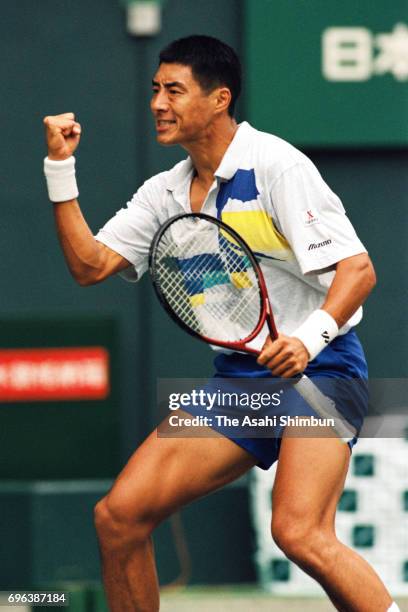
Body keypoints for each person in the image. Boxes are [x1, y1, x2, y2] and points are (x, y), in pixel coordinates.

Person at [43, 35, 399, 612]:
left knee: (301, 532)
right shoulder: (166, 193)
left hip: (321, 373)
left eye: (174, 90)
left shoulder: (277, 165)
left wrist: (309, 339)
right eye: (155, 89)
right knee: (119, 517)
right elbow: (91, 265)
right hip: (243, 381)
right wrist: (60, 169)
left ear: (219, 99)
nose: (158, 102)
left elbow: (358, 270)